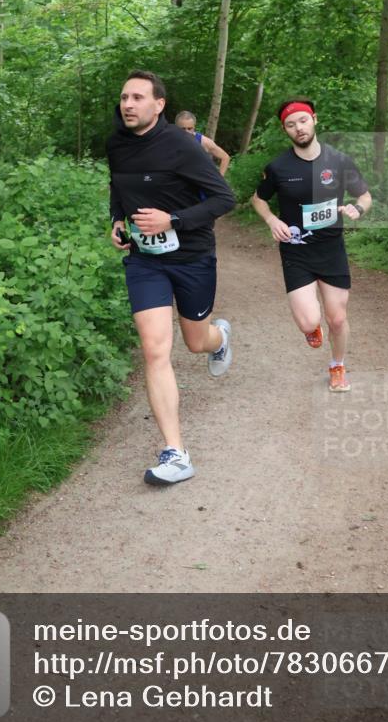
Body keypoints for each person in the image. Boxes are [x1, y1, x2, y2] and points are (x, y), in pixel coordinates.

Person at [107, 70, 236, 485]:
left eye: (138, 97)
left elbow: (224, 198)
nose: (128, 104)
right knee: (154, 349)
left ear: (158, 105)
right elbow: (118, 186)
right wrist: (116, 220)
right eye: (125, 97)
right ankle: (176, 453)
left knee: (196, 341)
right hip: (146, 260)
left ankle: (220, 338)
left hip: (192, 256)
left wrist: (173, 219)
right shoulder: (116, 144)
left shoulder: (183, 147)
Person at [251, 98, 371, 393]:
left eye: (303, 121)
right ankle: (312, 327)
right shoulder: (278, 167)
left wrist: (358, 209)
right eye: (291, 125)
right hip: (296, 250)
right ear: (285, 130)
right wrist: (271, 220)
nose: (298, 128)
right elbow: (258, 198)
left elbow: (365, 196)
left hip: (331, 249)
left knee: (338, 318)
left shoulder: (339, 161)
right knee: (309, 322)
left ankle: (337, 366)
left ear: (314, 120)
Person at [175, 111, 231, 176]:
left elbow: (225, 157)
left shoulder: (203, 142)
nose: (186, 132)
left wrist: (220, 180)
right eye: (183, 129)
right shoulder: (169, 140)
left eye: (189, 128)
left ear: (194, 127)